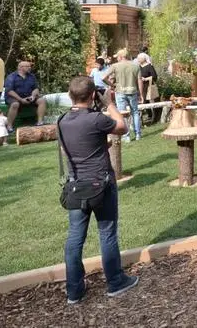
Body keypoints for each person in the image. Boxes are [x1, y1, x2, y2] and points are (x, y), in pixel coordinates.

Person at [59, 76, 138, 304]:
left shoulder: (62, 121)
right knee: (107, 233)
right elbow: (122, 127)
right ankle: (115, 282)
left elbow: (72, 149)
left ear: (70, 95)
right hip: (101, 185)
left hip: (75, 187)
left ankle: (74, 291)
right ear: (94, 95)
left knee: (75, 239)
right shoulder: (96, 119)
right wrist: (110, 104)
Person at [102, 49, 143, 142]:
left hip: (120, 92)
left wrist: (112, 85)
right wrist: (141, 94)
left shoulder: (115, 66)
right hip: (132, 91)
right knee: (135, 113)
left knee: (122, 114)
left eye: (117, 57)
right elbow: (139, 80)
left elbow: (103, 77)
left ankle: (126, 136)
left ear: (120, 56)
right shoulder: (136, 65)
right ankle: (138, 135)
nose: (117, 59)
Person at [4, 61, 47, 128]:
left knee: (42, 100)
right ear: (20, 67)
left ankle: (40, 122)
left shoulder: (31, 76)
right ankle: (9, 125)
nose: (30, 68)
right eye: (27, 66)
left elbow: (36, 88)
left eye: (30, 66)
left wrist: (33, 96)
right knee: (15, 104)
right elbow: (9, 91)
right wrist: (21, 99)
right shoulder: (11, 77)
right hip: (14, 98)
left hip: (29, 97)